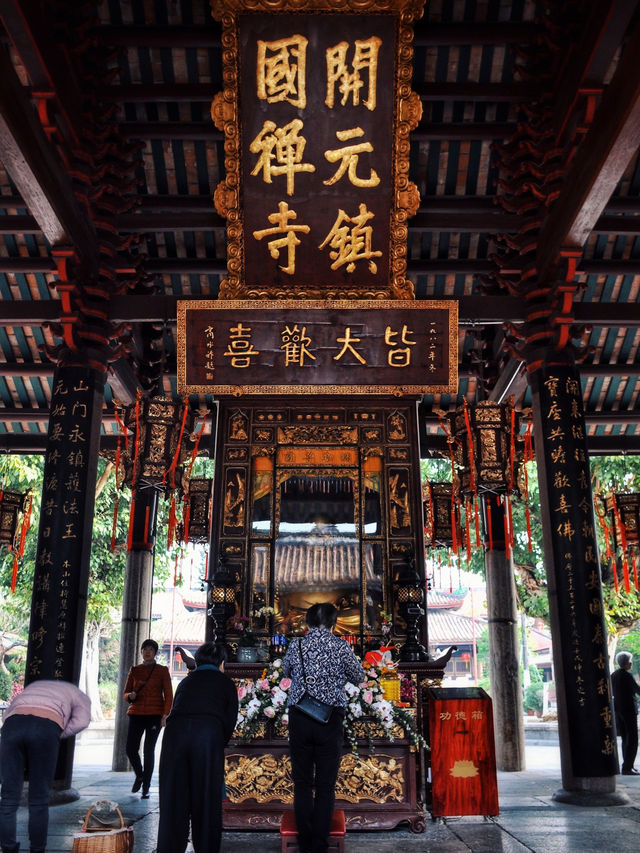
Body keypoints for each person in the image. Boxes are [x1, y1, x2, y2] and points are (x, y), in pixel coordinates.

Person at [282, 602, 365, 853]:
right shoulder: (341, 646)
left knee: (303, 782)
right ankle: (320, 844)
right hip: (330, 719)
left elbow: (286, 670)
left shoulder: (296, 645)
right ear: (333, 623)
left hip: (300, 716)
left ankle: (305, 843)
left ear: (307, 623)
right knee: (326, 784)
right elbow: (359, 676)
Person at [156, 641, 238, 853]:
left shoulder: (186, 682)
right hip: (207, 735)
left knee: (174, 797)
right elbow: (229, 722)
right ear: (221, 663)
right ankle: (206, 847)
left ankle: (170, 847)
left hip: (174, 737)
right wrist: (217, 743)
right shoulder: (226, 683)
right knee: (206, 798)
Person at [0, 679, 91, 853]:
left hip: (13, 725)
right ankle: (37, 849)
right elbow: (82, 721)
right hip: (46, 727)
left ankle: (8, 848)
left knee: (9, 798)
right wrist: (58, 732)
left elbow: (8, 713)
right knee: (39, 799)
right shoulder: (78, 694)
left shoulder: (33, 686)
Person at [123, 638, 173, 798]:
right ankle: (140, 774)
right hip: (136, 713)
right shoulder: (135, 670)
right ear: (141, 652)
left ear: (155, 653)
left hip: (154, 715)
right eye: (145, 649)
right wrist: (129, 695)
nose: (147, 652)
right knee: (130, 749)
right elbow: (125, 693)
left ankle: (146, 786)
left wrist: (165, 714)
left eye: (151, 649)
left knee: (148, 751)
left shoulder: (162, 670)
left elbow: (169, 695)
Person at [611, 650, 640, 775]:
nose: (631, 664)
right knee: (632, 738)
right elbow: (637, 690)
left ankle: (626, 766)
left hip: (618, 710)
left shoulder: (614, 675)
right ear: (627, 663)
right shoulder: (627, 676)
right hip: (628, 710)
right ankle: (628, 767)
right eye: (630, 662)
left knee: (624, 738)